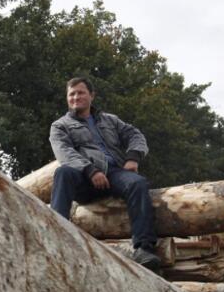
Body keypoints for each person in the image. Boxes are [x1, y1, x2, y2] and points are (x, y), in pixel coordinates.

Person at [49, 77, 161, 271]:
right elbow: (64, 152)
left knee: (138, 183)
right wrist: (90, 170)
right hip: (83, 178)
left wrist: (133, 157)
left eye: (81, 92)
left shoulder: (110, 120)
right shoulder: (60, 126)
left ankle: (144, 248)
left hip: (115, 172)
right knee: (63, 172)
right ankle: (56, 237)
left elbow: (135, 135)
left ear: (92, 95)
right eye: (71, 94)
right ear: (67, 98)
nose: (76, 97)